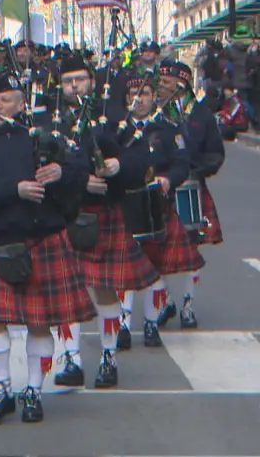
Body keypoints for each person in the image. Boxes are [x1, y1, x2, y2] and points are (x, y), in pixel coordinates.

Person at [0, 74, 95, 424]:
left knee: (40, 322)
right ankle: (3, 387)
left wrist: (60, 172)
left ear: (21, 103)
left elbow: (82, 168)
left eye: (5, 99)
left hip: (42, 237)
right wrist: (14, 189)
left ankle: (34, 391)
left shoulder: (44, 134)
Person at [49, 56, 160, 389]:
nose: (73, 86)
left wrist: (116, 166)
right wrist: (80, 179)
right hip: (64, 213)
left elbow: (141, 158)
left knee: (105, 289)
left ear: (91, 81)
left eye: (80, 79)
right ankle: (71, 359)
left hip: (103, 212)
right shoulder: (47, 119)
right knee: (66, 293)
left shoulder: (112, 119)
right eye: (68, 80)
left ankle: (108, 357)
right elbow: (39, 164)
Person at [116, 76, 202, 349]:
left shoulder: (167, 130)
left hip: (156, 205)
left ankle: (151, 324)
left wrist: (168, 179)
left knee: (153, 268)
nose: (138, 99)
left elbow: (182, 163)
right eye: (133, 94)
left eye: (144, 94)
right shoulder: (116, 131)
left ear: (154, 98)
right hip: (125, 204)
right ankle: (123, 325)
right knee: (123, 270)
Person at [153, 60, 223, 328]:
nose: (160, 86)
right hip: (160, 186)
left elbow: (216, 152)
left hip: (191, 187)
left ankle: (187, 306)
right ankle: (167, 300)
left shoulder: (201, 114)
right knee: (153, 247)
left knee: (191, 249)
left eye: (166, 82)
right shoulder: (155, 114)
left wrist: (199, 169)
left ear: (181, 84)